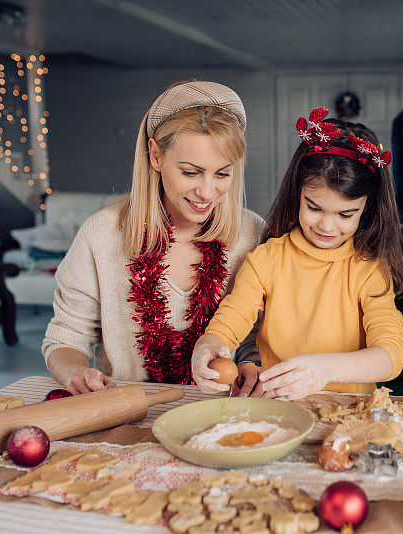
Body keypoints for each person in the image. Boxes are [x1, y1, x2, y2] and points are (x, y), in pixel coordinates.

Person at [43, 81, 265, 395]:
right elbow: (65, 339)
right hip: (128, 416)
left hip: (222, 417)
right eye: (190, 172)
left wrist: (250, 363)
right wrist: (80, 374)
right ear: (156, 155)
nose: (206, 192)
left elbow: (256, 336)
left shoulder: (252, 233)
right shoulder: (102, 234)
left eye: (222, 173)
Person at [190, 107, 403, 399]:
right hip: (277, 409)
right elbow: (230, 320)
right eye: (314, 207)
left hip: (347, 413)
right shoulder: (267, 259)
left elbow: (392, 354)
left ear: (367, 209)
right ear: (297, 195)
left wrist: (324, 369)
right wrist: (207, 347)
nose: (327, 226)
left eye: (346, 214)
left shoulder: (368, 269)